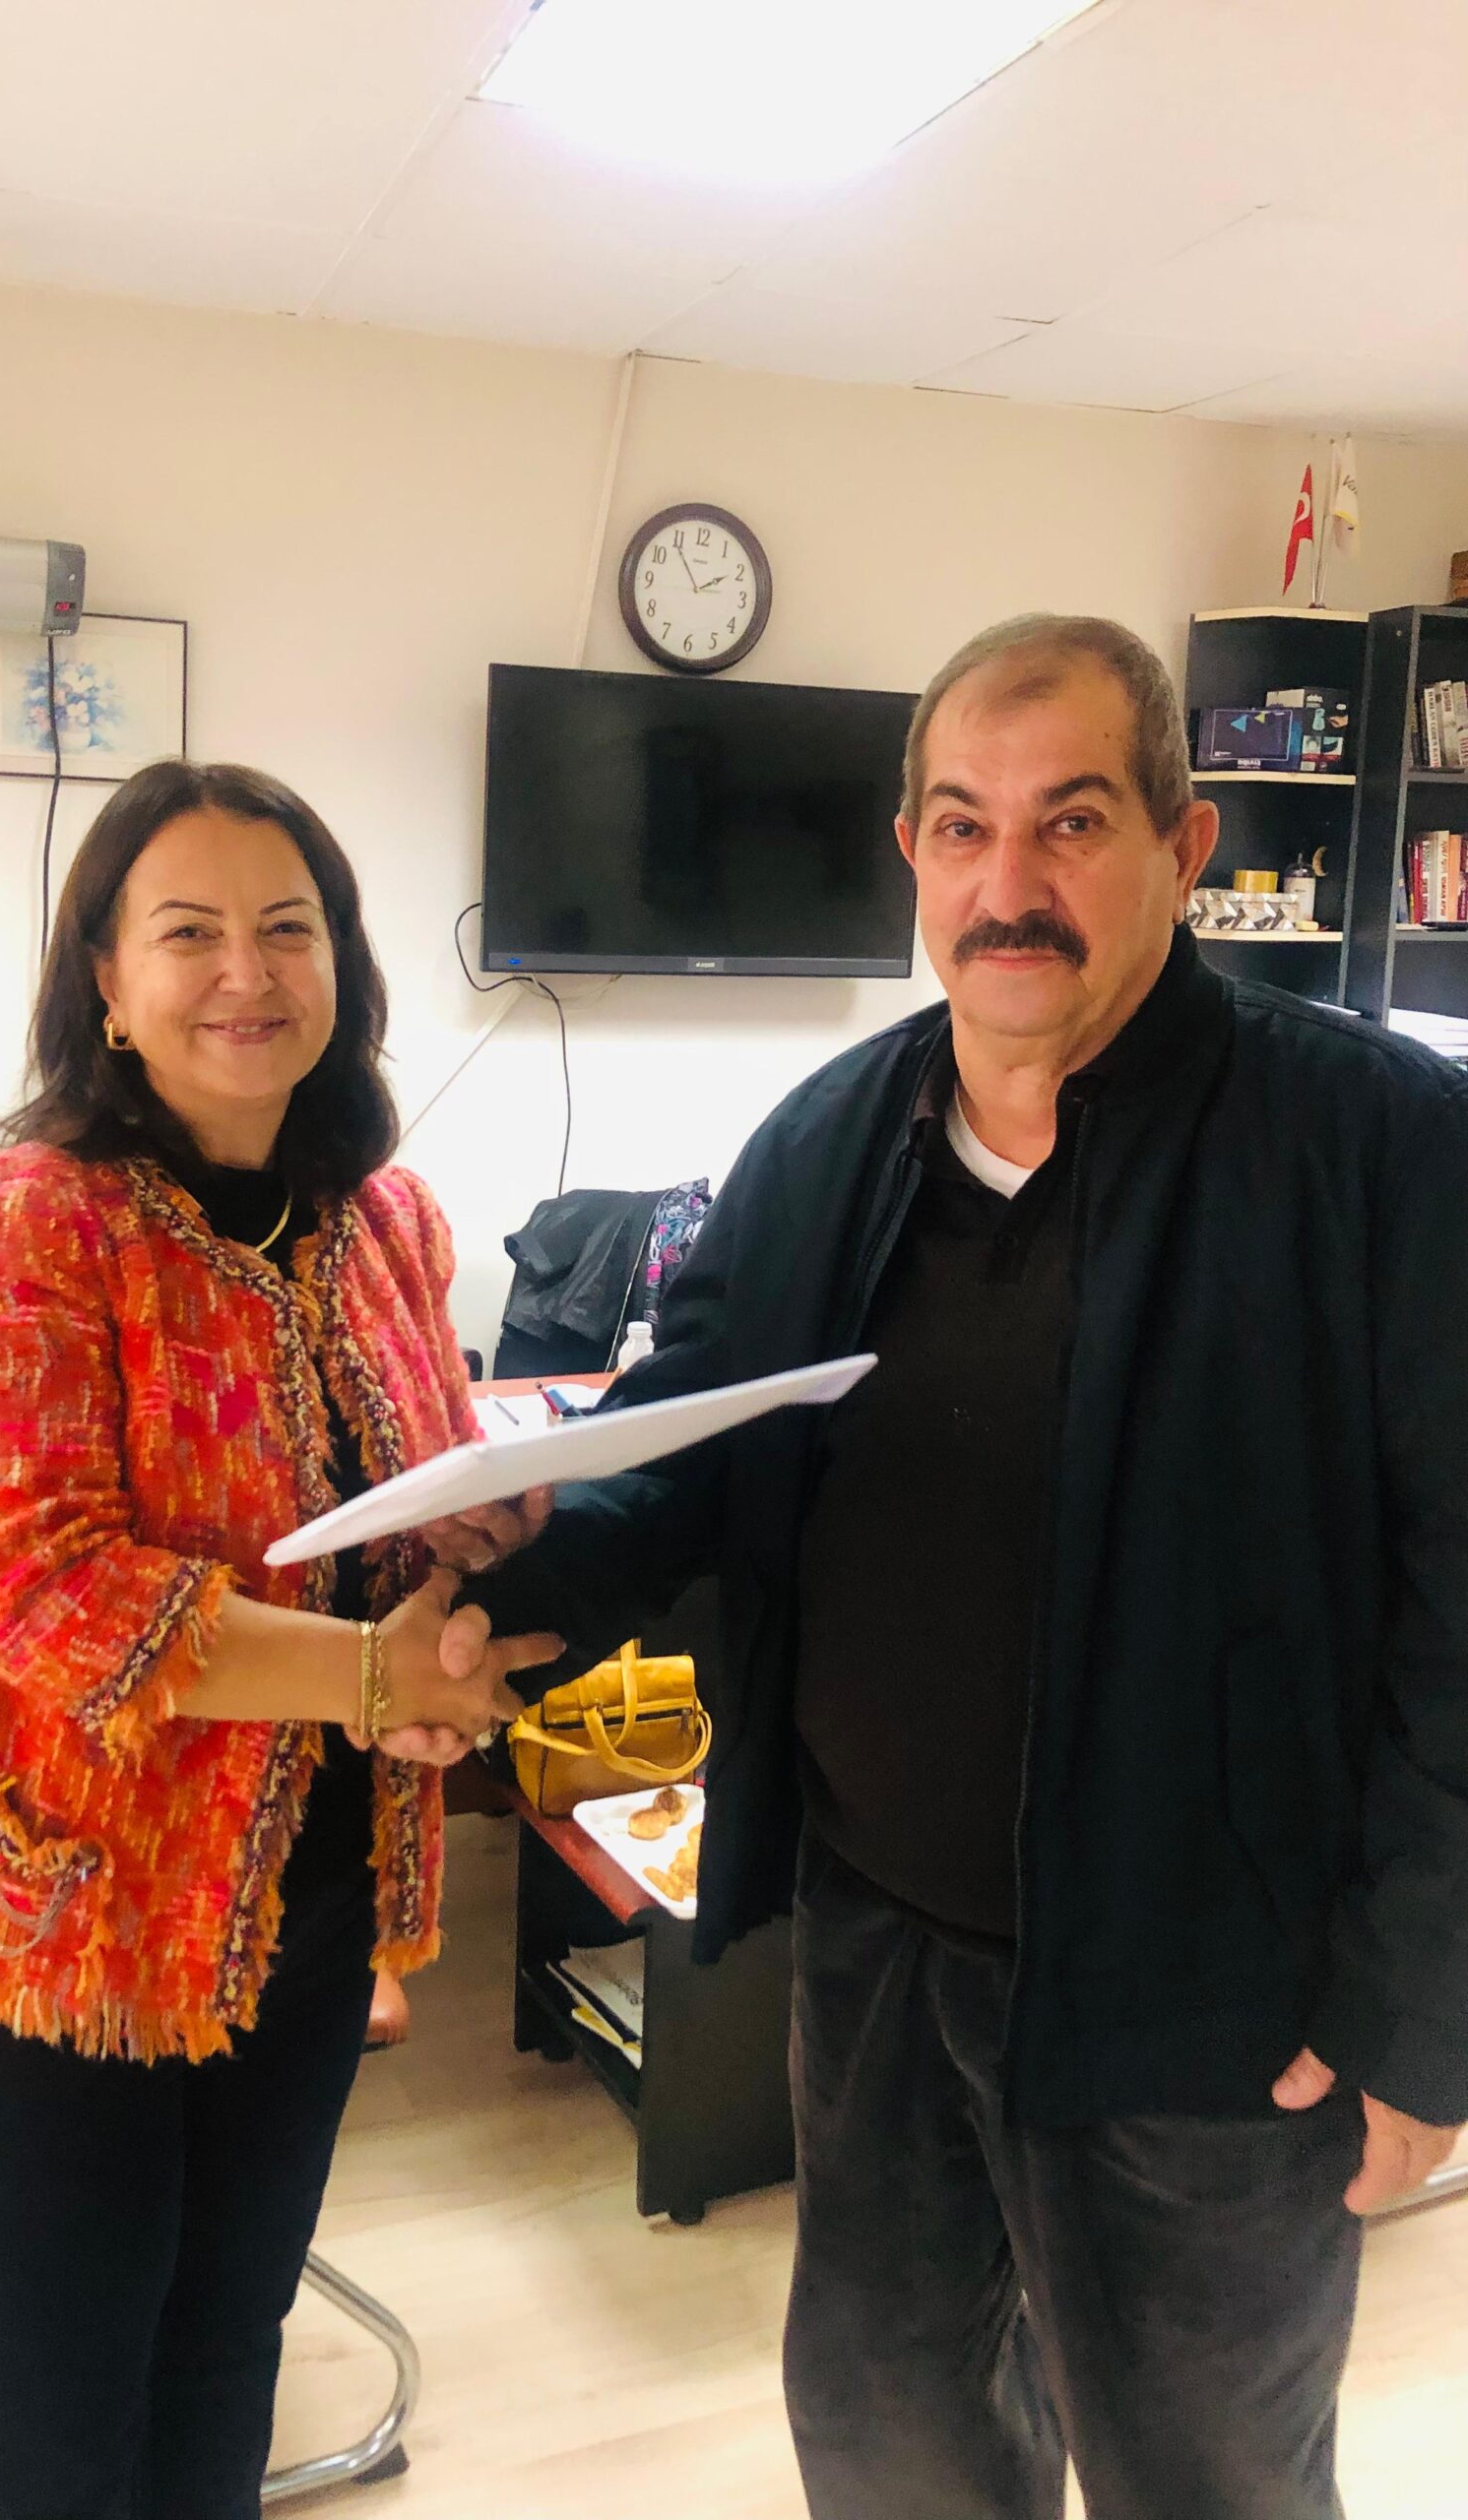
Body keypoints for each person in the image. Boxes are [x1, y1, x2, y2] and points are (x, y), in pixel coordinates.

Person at [447, 616, 1468, 2520]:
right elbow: (690, 1452)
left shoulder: (1379, 1151)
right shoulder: (834, 1140)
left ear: (1185, 841)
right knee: (893, 2447)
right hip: (879, 1959)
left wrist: (1423, 2007)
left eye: (1071, 823)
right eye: (963, 827)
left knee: (1210, 2482)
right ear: (909, 848)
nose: (1010, 889)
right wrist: (514, 1573)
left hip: (1214, 2013)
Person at [0, 760, 559, 2520]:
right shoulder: (18, 1220)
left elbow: (408, 1480)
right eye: (189, 933)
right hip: (50, 1932)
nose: (247, 972)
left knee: (221, 2367)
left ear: (343, 966)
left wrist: (473, 1532)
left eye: (288, 927)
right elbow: (38, 1585)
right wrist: (375, 1677)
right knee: (40, 2441)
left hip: (299, 1921)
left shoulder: (384, 1219)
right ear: (105, 981)